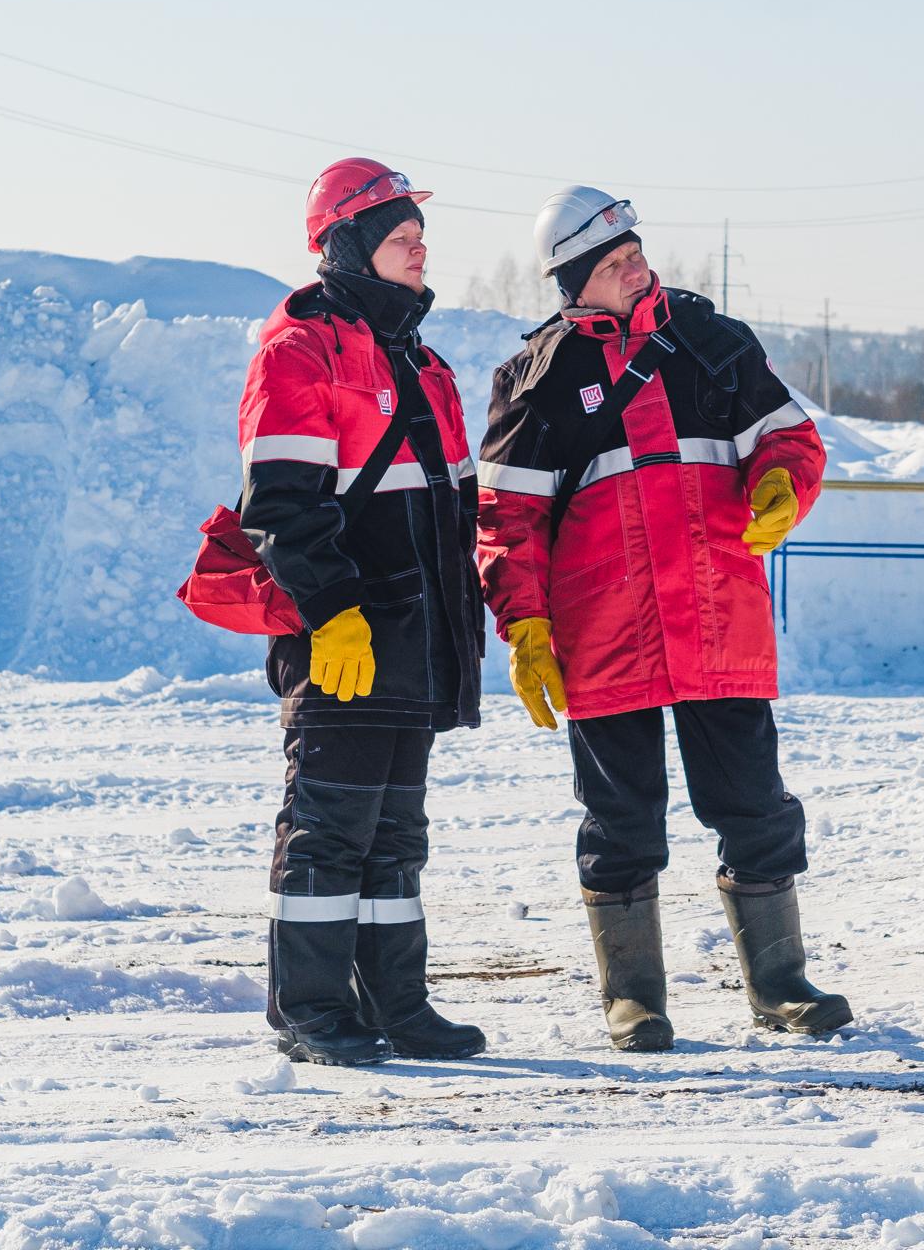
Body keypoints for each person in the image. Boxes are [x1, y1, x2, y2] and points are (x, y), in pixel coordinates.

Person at [475, 187, 851, 1052]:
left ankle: (781, 984)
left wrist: (781, 484)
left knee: (754, 805)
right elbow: (507, 523)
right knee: (619, 821)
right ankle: (633, 999)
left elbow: (791, 439)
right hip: (604, 635)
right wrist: (524, 627)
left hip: (718, 622)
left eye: (635, 249)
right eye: (613, 262)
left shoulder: (712, 342)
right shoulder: (534, 380)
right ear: (574, 284)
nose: (635, 266)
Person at [237, 157, 484, 1066]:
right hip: (346, 641)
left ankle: (395, 1002)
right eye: (400, 238)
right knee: (329, 829)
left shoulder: (422, 361)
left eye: (421, 238)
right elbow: (283, 505)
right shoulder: (299, 350)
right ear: (348, 246)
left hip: (418, 642)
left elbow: (455, 511)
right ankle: (308, 1008)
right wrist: (333, 611)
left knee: (394, 837)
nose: (421, 251)